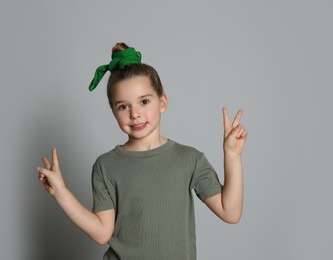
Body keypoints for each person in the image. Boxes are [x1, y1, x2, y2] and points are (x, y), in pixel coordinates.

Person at [36, 43, 248, 260]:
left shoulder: (189, 159)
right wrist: (61, 192)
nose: (135, 114)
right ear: (113, 111)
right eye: (123, 106)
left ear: (162, 102)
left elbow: (230, 212)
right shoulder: (106, 166)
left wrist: (232, 156)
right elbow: (102, 233)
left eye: (144, 101)